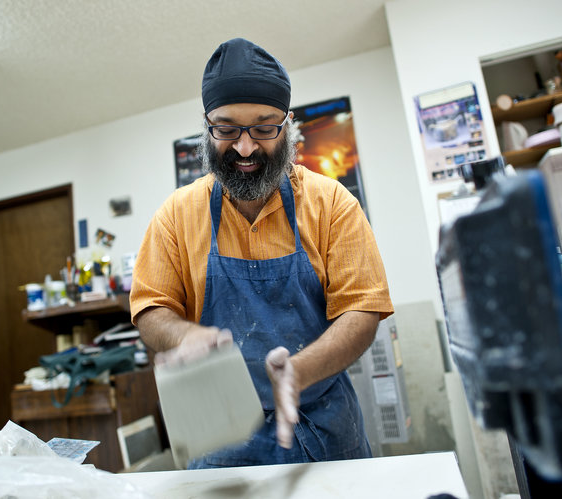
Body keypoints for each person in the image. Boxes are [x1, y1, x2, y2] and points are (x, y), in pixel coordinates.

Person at [130, 37, 393, 468]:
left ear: (287, 125)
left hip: (324, 426)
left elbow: (362, 311)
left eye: (264, 127)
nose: (246, 147)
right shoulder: (176, 215)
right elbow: (150, 308)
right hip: (221, 437)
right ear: (206, 125)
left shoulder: (332, 203)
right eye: (227, 129)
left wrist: (300, 371)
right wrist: (184, 335)